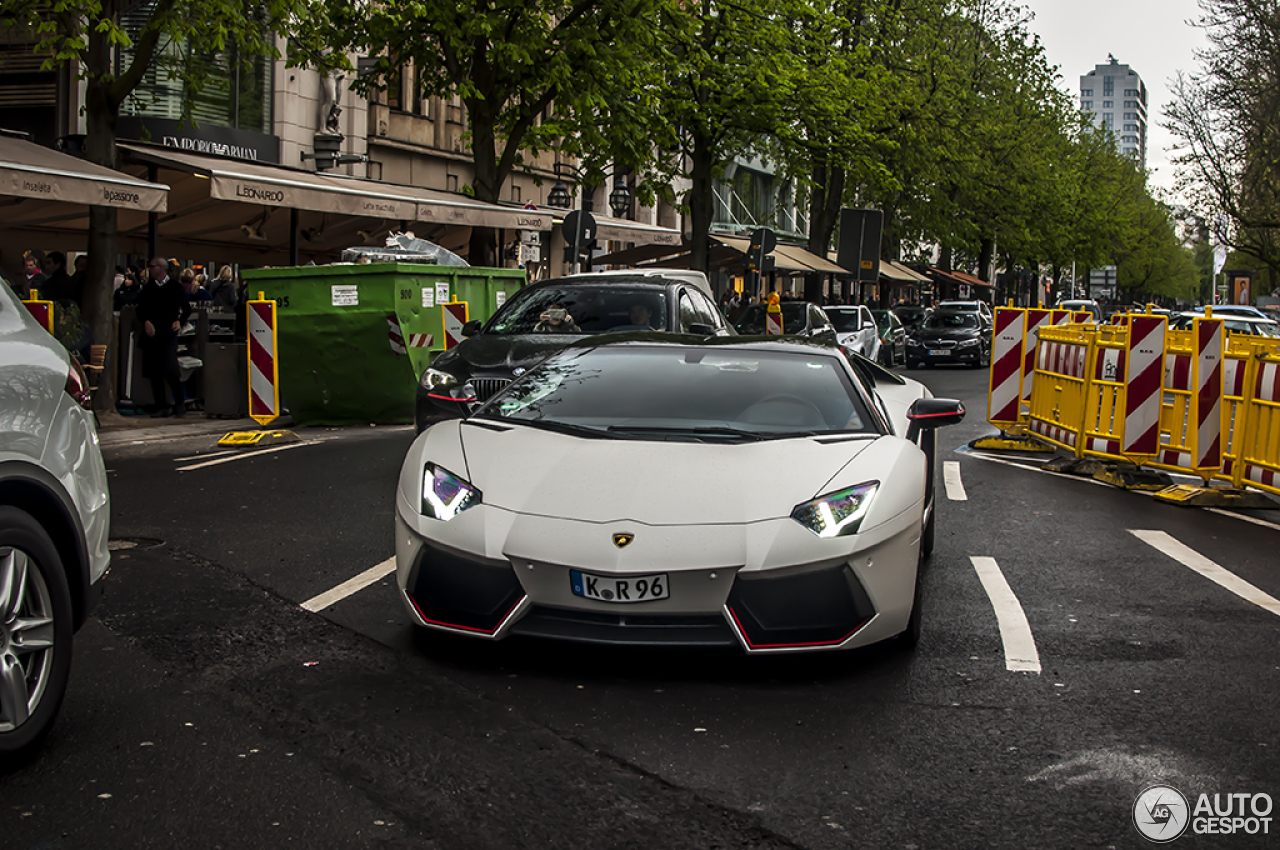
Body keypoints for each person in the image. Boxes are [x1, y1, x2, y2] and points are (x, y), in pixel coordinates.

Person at [135, 256, 192, 417]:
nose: (150, 269)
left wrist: (179, 321)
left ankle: (179, 402)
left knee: (170, 368)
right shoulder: (148, 288)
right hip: (152, 334)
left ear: (161, 268)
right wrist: (145, 321)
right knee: (155, 371)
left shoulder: (174, 286)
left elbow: (186, 308)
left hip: (168, 333)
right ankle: (162, 405)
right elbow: (140, 309)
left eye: (152, 266)